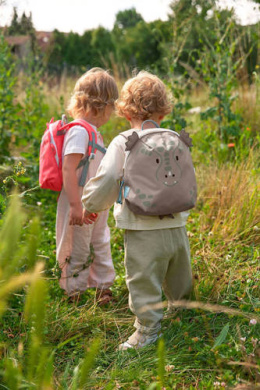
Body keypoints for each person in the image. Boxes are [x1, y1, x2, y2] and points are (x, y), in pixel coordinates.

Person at [82, 71, 192, 349]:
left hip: (141, 226)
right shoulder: (173, 136)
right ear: (164, 107)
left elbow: (108, 179)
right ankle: (182, 311)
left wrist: (91, 204)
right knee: (179, 273)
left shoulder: (124, 140)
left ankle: (147, 331)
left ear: (125, 108)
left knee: (143, 278)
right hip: (177, 224)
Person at [56, 67, 118, 304]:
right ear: (99, 106)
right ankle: (74, 291)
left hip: (95, 204)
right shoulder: (79, 132)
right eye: (111, 108)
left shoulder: (94, 133)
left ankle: (102, 287)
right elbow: (68, 168)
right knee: (78, 246)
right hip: (79, 203)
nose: (111, 114)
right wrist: (74, 206)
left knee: (101, 240)